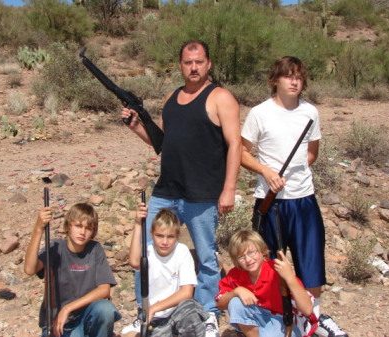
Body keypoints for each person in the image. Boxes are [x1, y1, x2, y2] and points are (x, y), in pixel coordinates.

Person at [121, 40, 241, 335]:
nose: (194, 67)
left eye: (199, 61)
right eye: (188, 62)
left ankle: (208, 312)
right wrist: (137, 126)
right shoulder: (171, 98)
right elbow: (163, 142)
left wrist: (229, 189)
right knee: (147, 253)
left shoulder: (220, 97)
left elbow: (235, 144)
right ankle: (145, 310)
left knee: (207, 256)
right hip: (166, 190)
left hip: (202, 193)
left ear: (208, 63)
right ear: (180, 65)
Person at [240, 56, 348, 337]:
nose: (294, 81)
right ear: (275, 80)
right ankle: (274, 319)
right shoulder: (259, 113)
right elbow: (241, 152)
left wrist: (296, 176)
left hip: (303, 199)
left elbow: (312, 153)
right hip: (269, 201)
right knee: (269, 265)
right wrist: (266, 171)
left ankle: (312, 319)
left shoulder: (310, 112)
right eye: (288, 76)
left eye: (299, 77)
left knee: (310, 263)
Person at [24, 203, 121, 337]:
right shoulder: (56, 247)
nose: (82, 232)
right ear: (68, 226)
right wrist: (38, 229)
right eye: (78, 226)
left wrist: (68, 308)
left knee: (106, 309)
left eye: (88, 228)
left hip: (86, 317)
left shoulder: (95, 249)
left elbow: (104, 290)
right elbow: (29, 269)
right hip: (59, 324)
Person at [128, 202, 211, 336]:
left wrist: (154, 308)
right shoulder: (147, 252)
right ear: (151, 234)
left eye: (170, 237)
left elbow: (187, 292)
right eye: (159, 236)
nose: (165, 242)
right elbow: (133, 262)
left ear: (177, 236)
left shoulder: (182, 251)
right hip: (154, 319)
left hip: (177, 312)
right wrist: (138, 224)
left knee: (189, 309)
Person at [216, 230, 317, 337]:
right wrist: (237, 291)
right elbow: (220, 304)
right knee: (235, 302)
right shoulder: (235, 274)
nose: (248, 259)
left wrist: (289, 277)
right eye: (241, 257)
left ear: (262, 250)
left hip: (286, 322)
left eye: (252, 252)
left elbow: (307, 310)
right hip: (261, 319)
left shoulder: (276, 270)